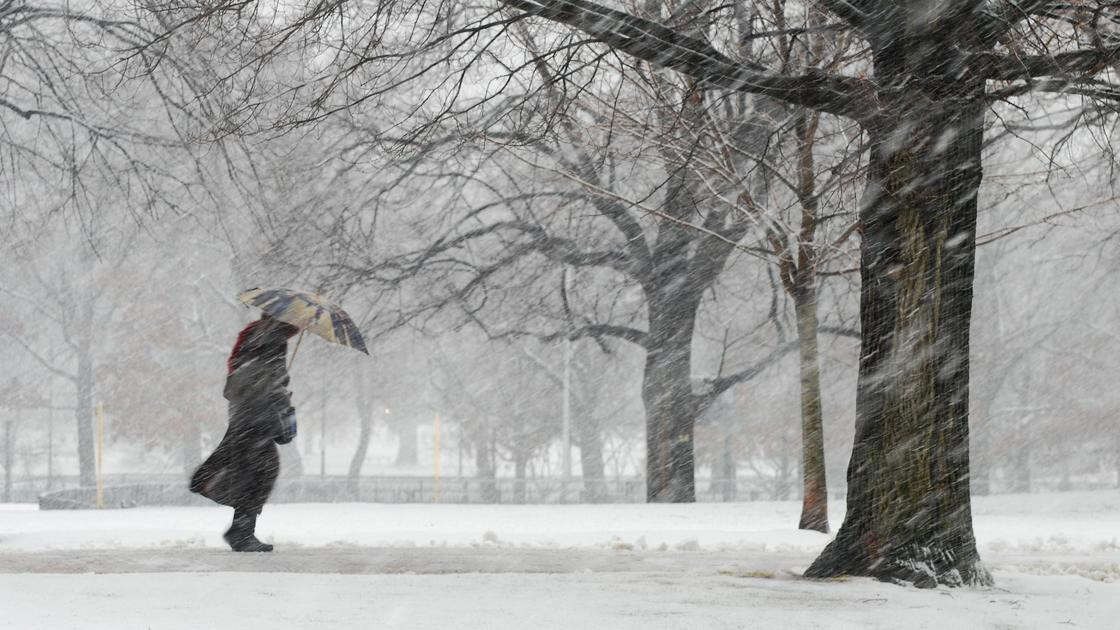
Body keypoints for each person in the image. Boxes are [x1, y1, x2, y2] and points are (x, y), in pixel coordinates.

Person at [190, 314, 299, 552]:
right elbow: (268, 379)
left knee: (251, 472)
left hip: (245, 415)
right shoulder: (274, 338)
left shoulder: (256, 334)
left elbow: (245, 376)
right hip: (257, 417)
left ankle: (240, 529)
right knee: (260, 473)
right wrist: (280, 394)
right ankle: (240, 531)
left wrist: (276, 387)